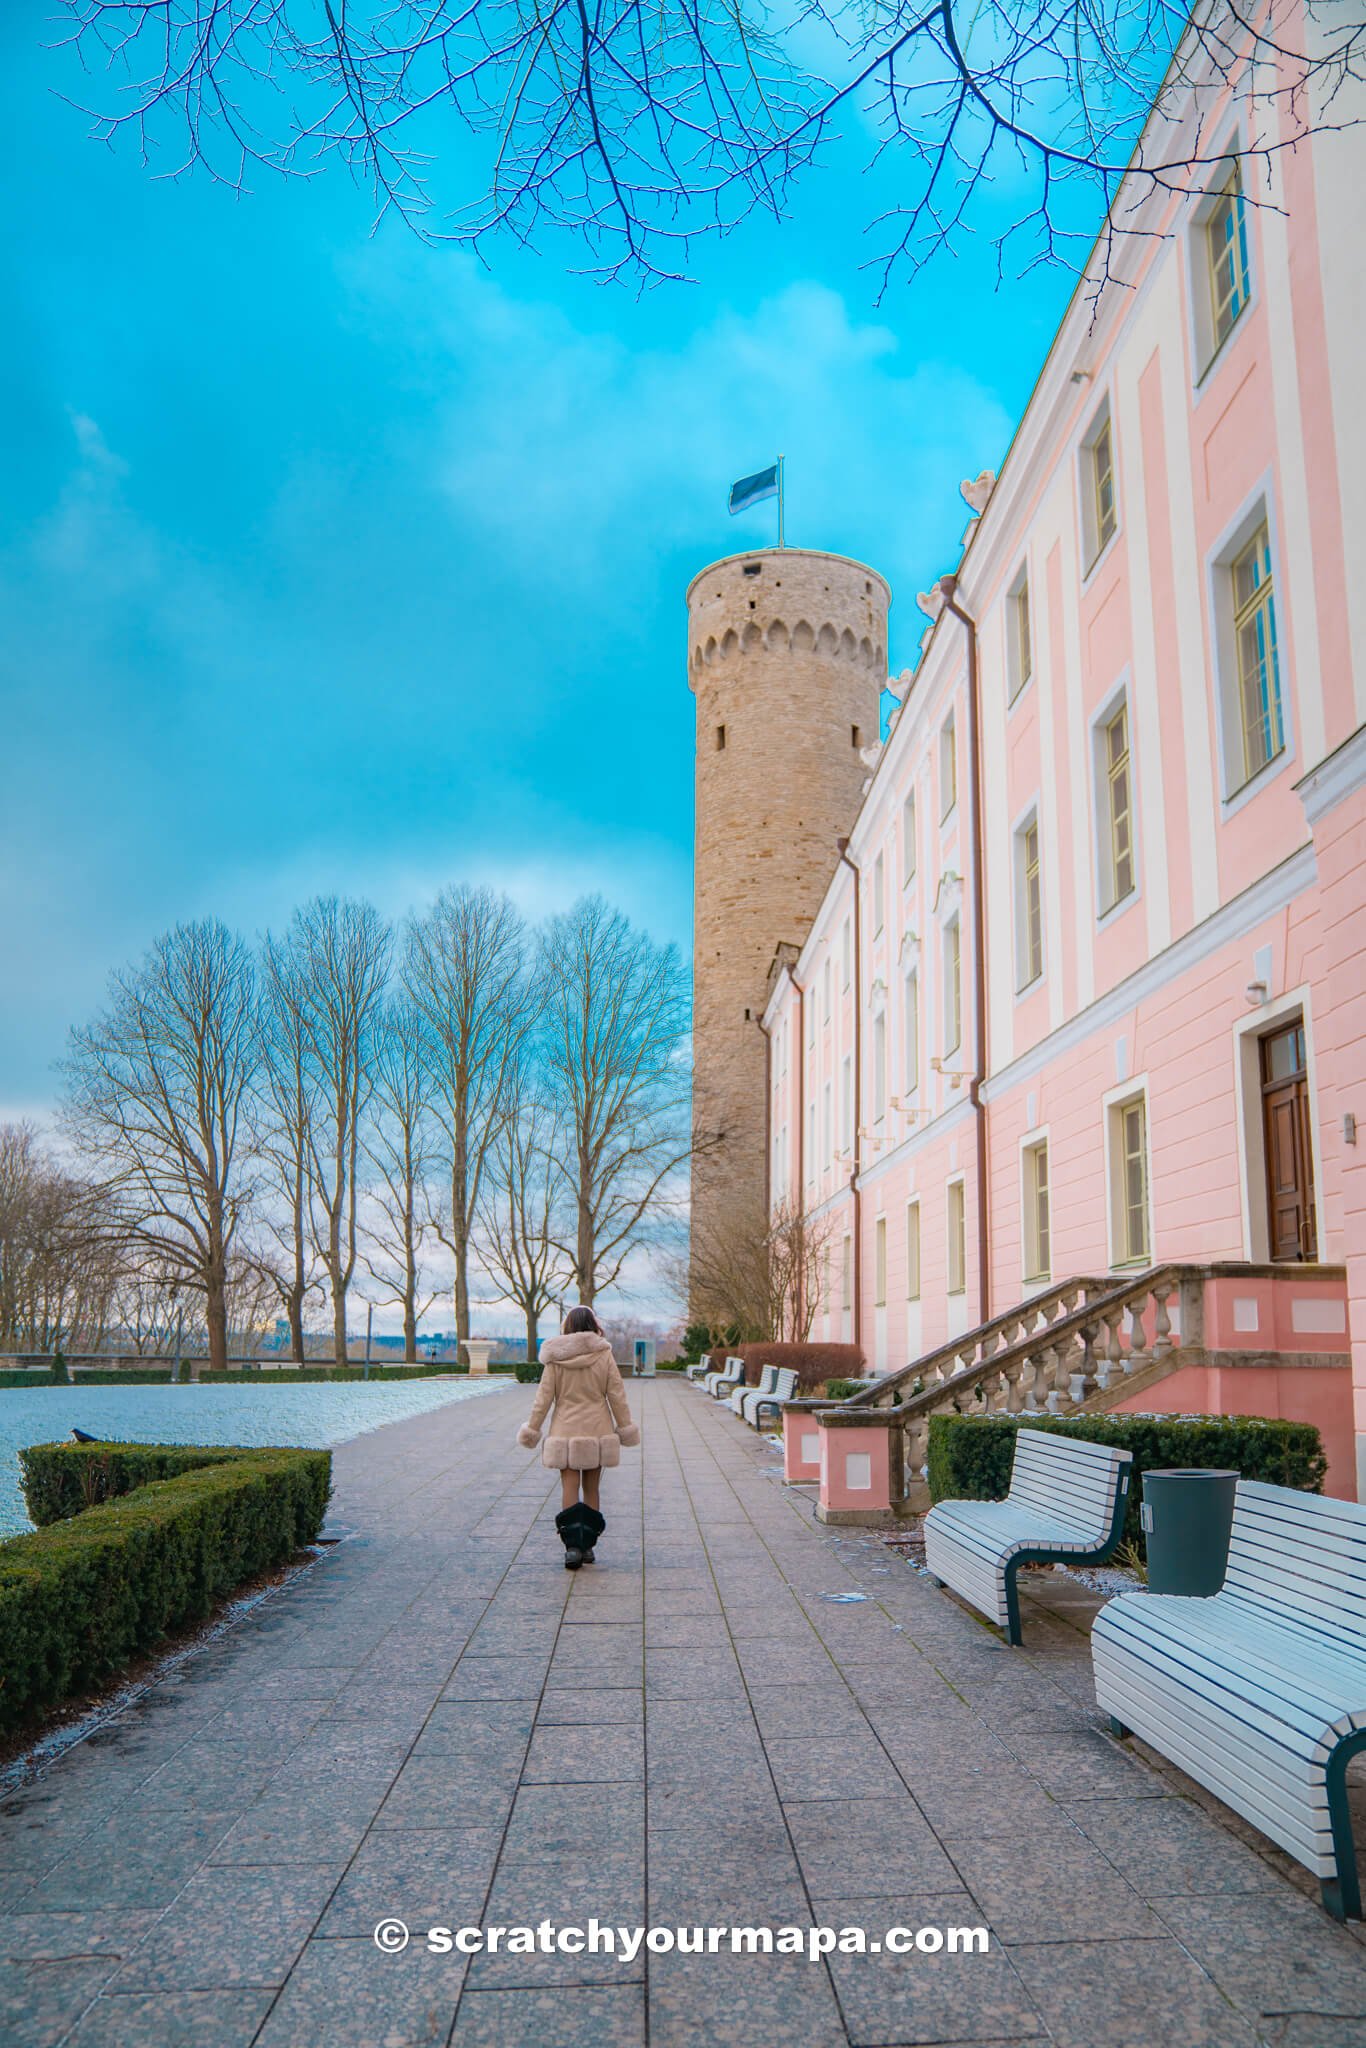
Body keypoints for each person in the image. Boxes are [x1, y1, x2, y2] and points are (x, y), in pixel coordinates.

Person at [517, 1306, 640, 1568]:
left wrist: (533, 1429)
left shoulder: (555, 1358)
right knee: (592, 1488)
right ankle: (588, 1546)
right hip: (597, 1430)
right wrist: (625, 1426)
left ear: (568, 1326)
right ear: (593, 1325)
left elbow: (544, 1399)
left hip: (565, 1431)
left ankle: (572, 1545)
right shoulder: (603, 1355)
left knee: (569, 1486)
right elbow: (617, 1395)